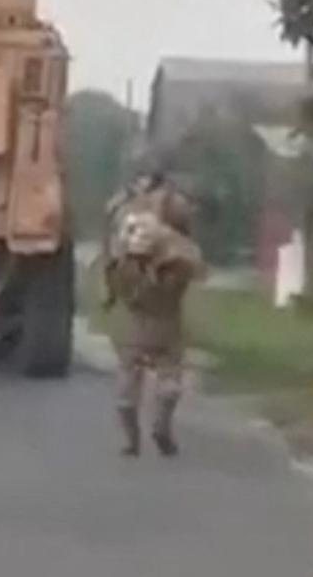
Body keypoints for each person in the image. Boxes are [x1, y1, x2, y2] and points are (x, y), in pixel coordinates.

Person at [102, 168, 206, 457]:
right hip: (166, 319)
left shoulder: (126, 206)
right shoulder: (174, 205)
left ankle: (131, 440)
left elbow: (111, 252)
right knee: (169, 376)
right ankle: (161, 426)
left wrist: (112, 290)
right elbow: (190, 251)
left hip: (135, 318)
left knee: (128, 381)